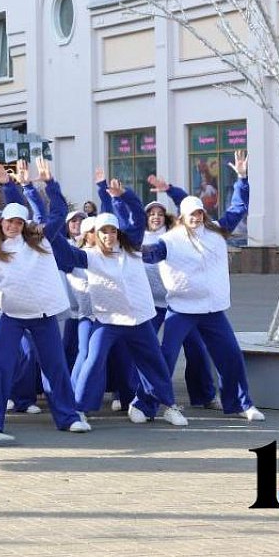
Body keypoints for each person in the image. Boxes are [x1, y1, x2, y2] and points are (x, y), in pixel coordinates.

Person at [0, 157, 89, 435]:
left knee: (55, 367)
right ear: (2, 223)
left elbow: (59, 210)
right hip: (11, 315)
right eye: (8, 222)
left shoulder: (41, 239)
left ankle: (68, 416)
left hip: (44, 314)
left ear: (24, 224)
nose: (13, 226)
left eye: (17, 222)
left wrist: (48, 183)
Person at [47, 178, 187, 426]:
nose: (109, 235)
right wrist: (48, 203)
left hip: (141, 318)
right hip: (108, 320)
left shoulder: (132, 246)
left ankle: (169, 405)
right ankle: (79, 409)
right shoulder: (89, 256)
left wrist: (123, 195)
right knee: (94, 360)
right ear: (96, 235)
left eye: (112, 231)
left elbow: (136, 215)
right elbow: (58, 245)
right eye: (104, 231)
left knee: (154, 362)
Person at [142, 150, 265, 422]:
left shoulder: (217, 231)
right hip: (182, 309)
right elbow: (148, 255)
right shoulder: (170, 240)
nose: (197, 217)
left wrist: (242, 178)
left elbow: (239, 207)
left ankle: (241, 404)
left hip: (213, 310)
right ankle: (147, 404)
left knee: (231, 356)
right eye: (191, 214)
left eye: (199, 212)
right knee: (166, 356)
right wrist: (128, 250)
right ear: (182, 217)